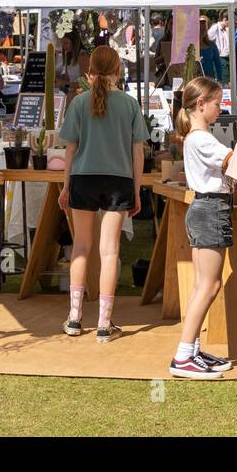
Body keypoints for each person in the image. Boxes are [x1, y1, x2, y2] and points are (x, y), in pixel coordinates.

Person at [57, 46, 147, 340]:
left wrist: (66, 186)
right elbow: (138, 153)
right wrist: (136, 190)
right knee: (109, 250)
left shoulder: (79, 103)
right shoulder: (130, 104)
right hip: (118, 179)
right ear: (118, 70)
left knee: (80, 248)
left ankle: (74, 318)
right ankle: (105, 324)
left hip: (83, 177)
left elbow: (70, 150)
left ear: (89, 72)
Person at [168, 76, 234, 379]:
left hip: (204, 208)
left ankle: (191, 349)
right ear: (201, 104)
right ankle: (183, 355)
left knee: (202, 284)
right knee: (210, 285)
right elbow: (233, 160)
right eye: (218, 104)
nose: (221, 109)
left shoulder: (195, 138)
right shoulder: (202, 139)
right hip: (210, 209)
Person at [55, 30, 90, 94]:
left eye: (66, 43)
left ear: (74, 42)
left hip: (81, 96)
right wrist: (57, 77)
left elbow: (85, 84)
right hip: (71, 94)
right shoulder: (68, 55)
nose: (63, 46)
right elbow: (68, 80)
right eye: (62, 43)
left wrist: (63, 84)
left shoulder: (83, 56)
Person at [206, 14, 231, 83]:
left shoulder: (226, 29)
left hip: (228, 59)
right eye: (230, 21)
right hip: (221, 58)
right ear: (225, 19)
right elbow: (207, 39)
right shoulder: (215, 28)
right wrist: (215, 50)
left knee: (228, 81)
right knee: (224, 81)